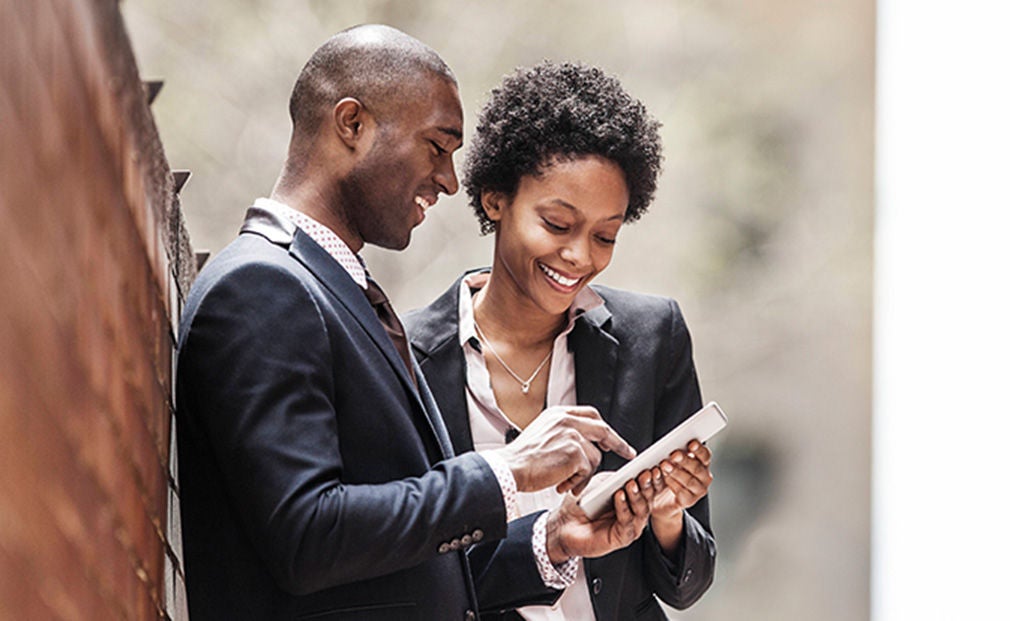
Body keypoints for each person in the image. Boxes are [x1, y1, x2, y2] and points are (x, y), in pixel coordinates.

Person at [175, 25, 659, 621]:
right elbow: (307, 536)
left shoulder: (334, 291)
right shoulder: (261, 288)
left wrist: (552, 538)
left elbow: (400, 570)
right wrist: (505, 471)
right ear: (351, 125)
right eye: (437, 145)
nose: (450, 180)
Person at [405, 61, 717, 620]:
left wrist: (669, 516)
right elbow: (411, 575)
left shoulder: (653, 337)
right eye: (556, 223)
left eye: (604, 235)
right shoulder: (404, 356)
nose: (579, 256)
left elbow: (686, 586)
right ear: (496, 198)